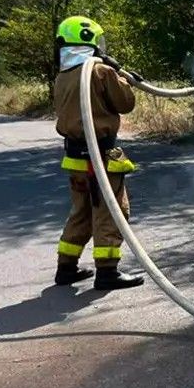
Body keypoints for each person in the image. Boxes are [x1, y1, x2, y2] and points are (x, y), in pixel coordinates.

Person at [51, 16, 144, 290]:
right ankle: (107, 272)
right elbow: (125, 103)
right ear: (92, 42)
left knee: (82, 211)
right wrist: (121, 78)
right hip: (101, 156)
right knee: (112, 210)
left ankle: (65, 267)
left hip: (74, 157)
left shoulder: (63, 76)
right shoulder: (100, 72)